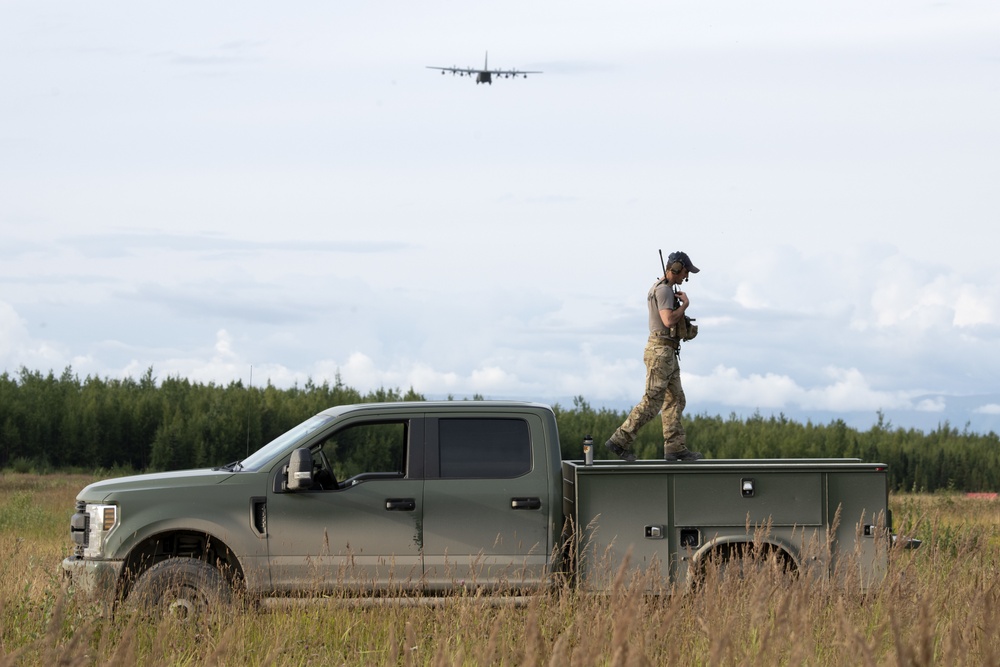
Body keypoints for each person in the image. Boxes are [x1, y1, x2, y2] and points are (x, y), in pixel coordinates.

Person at [606, 251, 704, 462]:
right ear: (676, 268)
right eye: (685, 272)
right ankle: (619, 440)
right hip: (661, 352)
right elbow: (668, 320)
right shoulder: (664, 291)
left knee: (676, 399)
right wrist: (685, 306)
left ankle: (675, 447)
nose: (686, 277)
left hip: (665, 352)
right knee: (652, 402)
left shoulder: (660, 288)